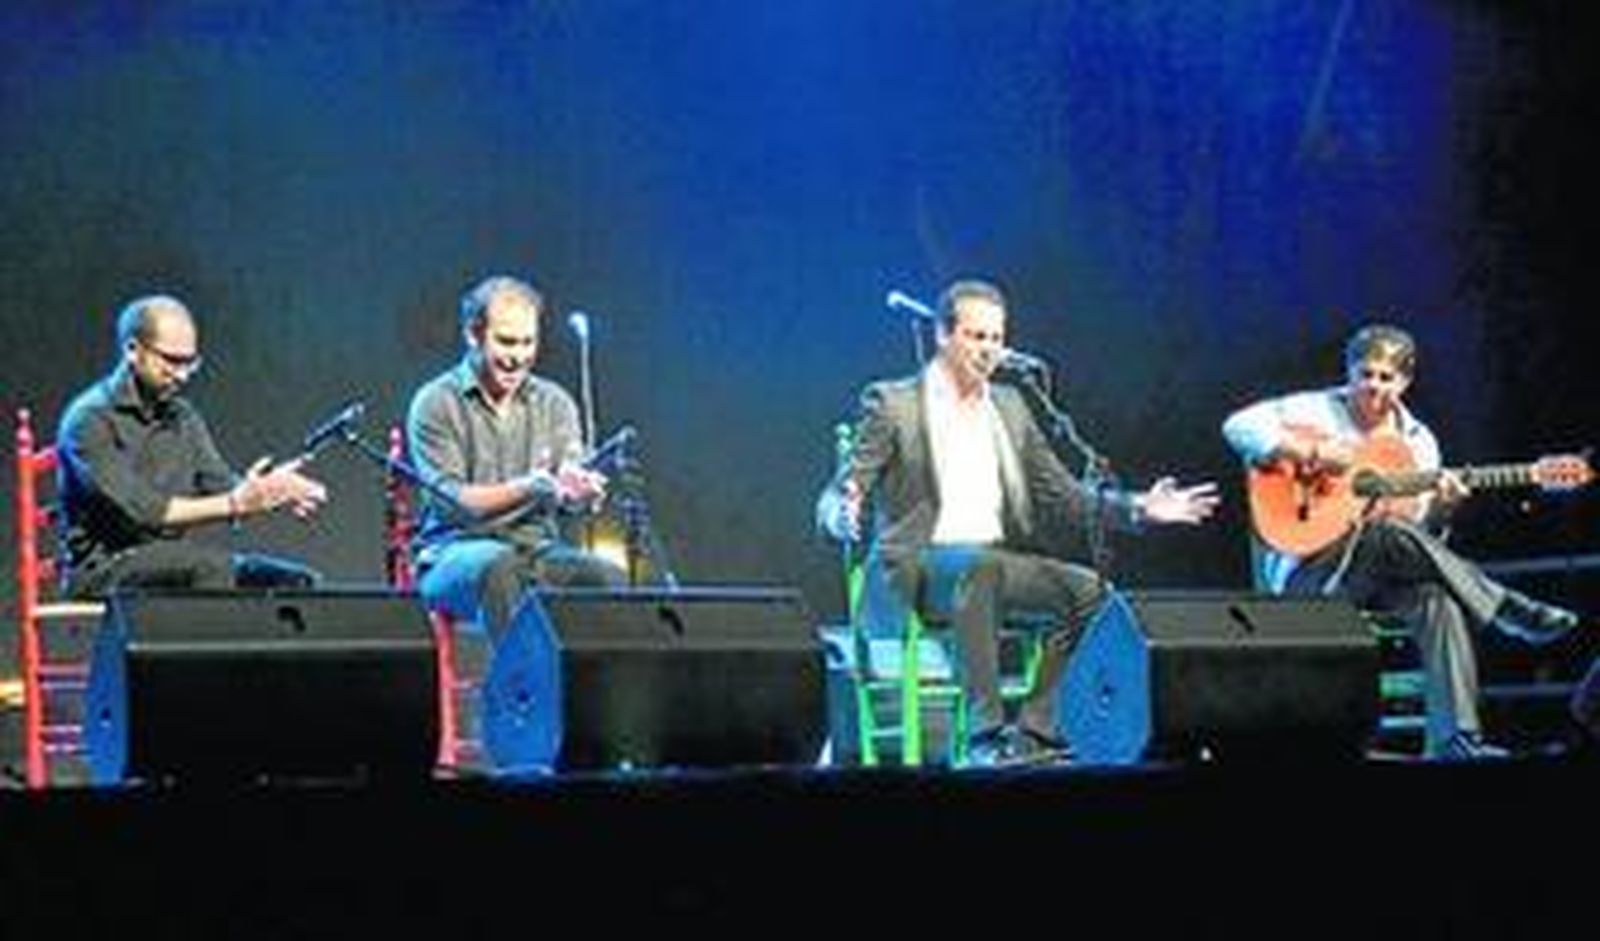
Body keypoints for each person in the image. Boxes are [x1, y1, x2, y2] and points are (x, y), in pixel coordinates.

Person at [817, 278, 1219, 768]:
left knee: (1093, 595)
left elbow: (1063, 495)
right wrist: (842, 510)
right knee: (980, 571)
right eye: (976, 336)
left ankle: (1034, 733)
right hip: (915, 570)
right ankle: (983, 738)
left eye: (996, 338)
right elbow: (843, 487)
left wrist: (1138, 507)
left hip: (990, 563)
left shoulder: (1009, 406)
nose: (988, 349)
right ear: (943, 335)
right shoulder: (894, 403)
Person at [1222, 323, 1581, 760]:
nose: (1373, 386)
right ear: (1349, 372)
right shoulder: (1315, 410)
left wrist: (1444, 509)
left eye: (1385, 377)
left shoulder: (1420, 443)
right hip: (1312, 575)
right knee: (1387, 531)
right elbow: (1237, 426)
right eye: (1364, 374)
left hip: (1380, 574)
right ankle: (1504, 607)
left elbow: (1421, 541)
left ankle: (1455, 741)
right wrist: (1310, 453)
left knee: (1439, 599)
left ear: (1404, 382)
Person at [56, 294, 327, 597]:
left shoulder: (183, 416)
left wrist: (270, 489)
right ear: (133, 350)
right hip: (103, 570)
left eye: (190, 363)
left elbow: (219, 484)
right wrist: (235, 503)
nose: (183, 375)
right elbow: (142, 511)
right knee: (208, 568)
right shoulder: (89, 420)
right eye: (171, 361)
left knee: (294, 582)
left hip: (168, 560)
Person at [407, 274, 624, 645]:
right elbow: (455, 505)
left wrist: (578, 493)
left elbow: (567, 489)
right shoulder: (436, 402)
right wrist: (529, 487)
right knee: (499, 567)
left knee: (606, 577)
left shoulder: (555, 403)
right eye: (506, 342)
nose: (519, 357)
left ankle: (590, 682)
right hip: (451, 555)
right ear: (473, 334)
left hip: (536, 551)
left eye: (528, 343)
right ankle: (519, 682)